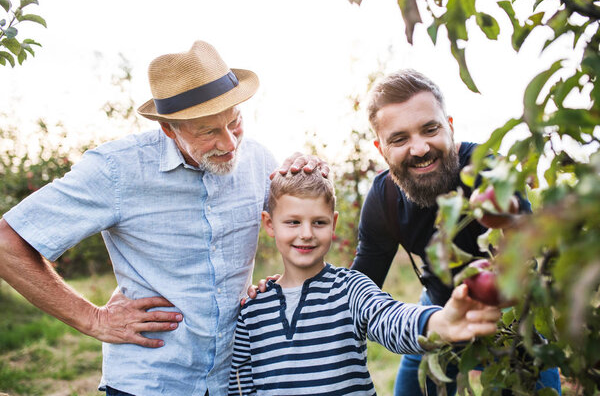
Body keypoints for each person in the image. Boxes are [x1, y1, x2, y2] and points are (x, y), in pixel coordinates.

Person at [0, 40, 326, 396]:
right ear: (170, 130)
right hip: (150, 381)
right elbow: (7, 242)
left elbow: (300, 226)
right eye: (208, 132)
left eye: (235, 123)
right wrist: (91, 318)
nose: (230, 143)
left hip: (235, 380)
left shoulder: (259, 161)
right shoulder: (116, 170)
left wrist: (310, 173)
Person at [350, 69, 562, 395]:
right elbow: (359, 288)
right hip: (438, 316)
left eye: (430, 129)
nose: (419, 148)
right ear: (381, 149)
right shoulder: (384, 198)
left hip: (510, 324)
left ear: (449, 127)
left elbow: (524, 268)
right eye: (400, 138)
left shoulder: (489, 173)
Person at [228, 169, 502, 395]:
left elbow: (389, 317)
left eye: (319, 222)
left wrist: (438, 324)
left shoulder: (350, 289)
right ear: (269, 224)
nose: (307, 233)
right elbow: (240, 384)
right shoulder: (253, 310)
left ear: (334, 224)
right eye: (293, 222)